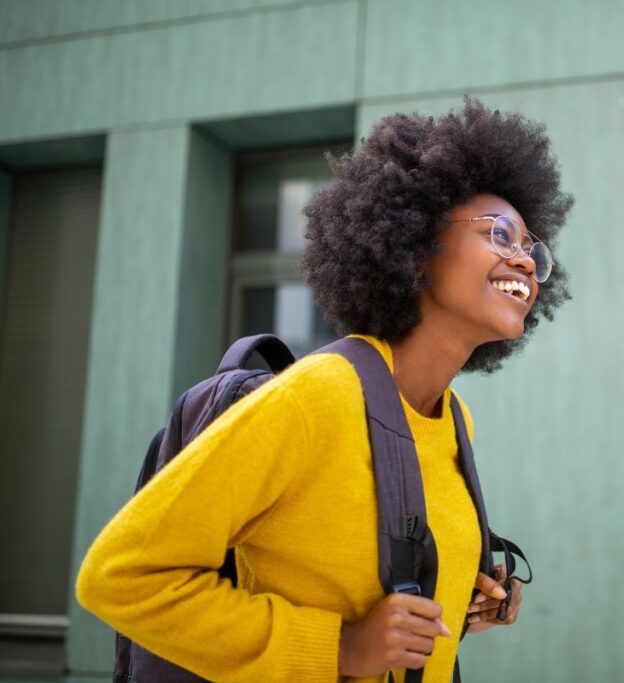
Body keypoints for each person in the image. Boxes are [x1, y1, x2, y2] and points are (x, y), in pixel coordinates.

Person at [76, 96, 573, 682]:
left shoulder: (452, 418)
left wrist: (467, 598)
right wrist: (338, 647)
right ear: (416, 252)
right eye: (499, 234)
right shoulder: (321, 394)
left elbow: (366, 585)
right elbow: (121, 574)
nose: (523, 261)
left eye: (532, 250)